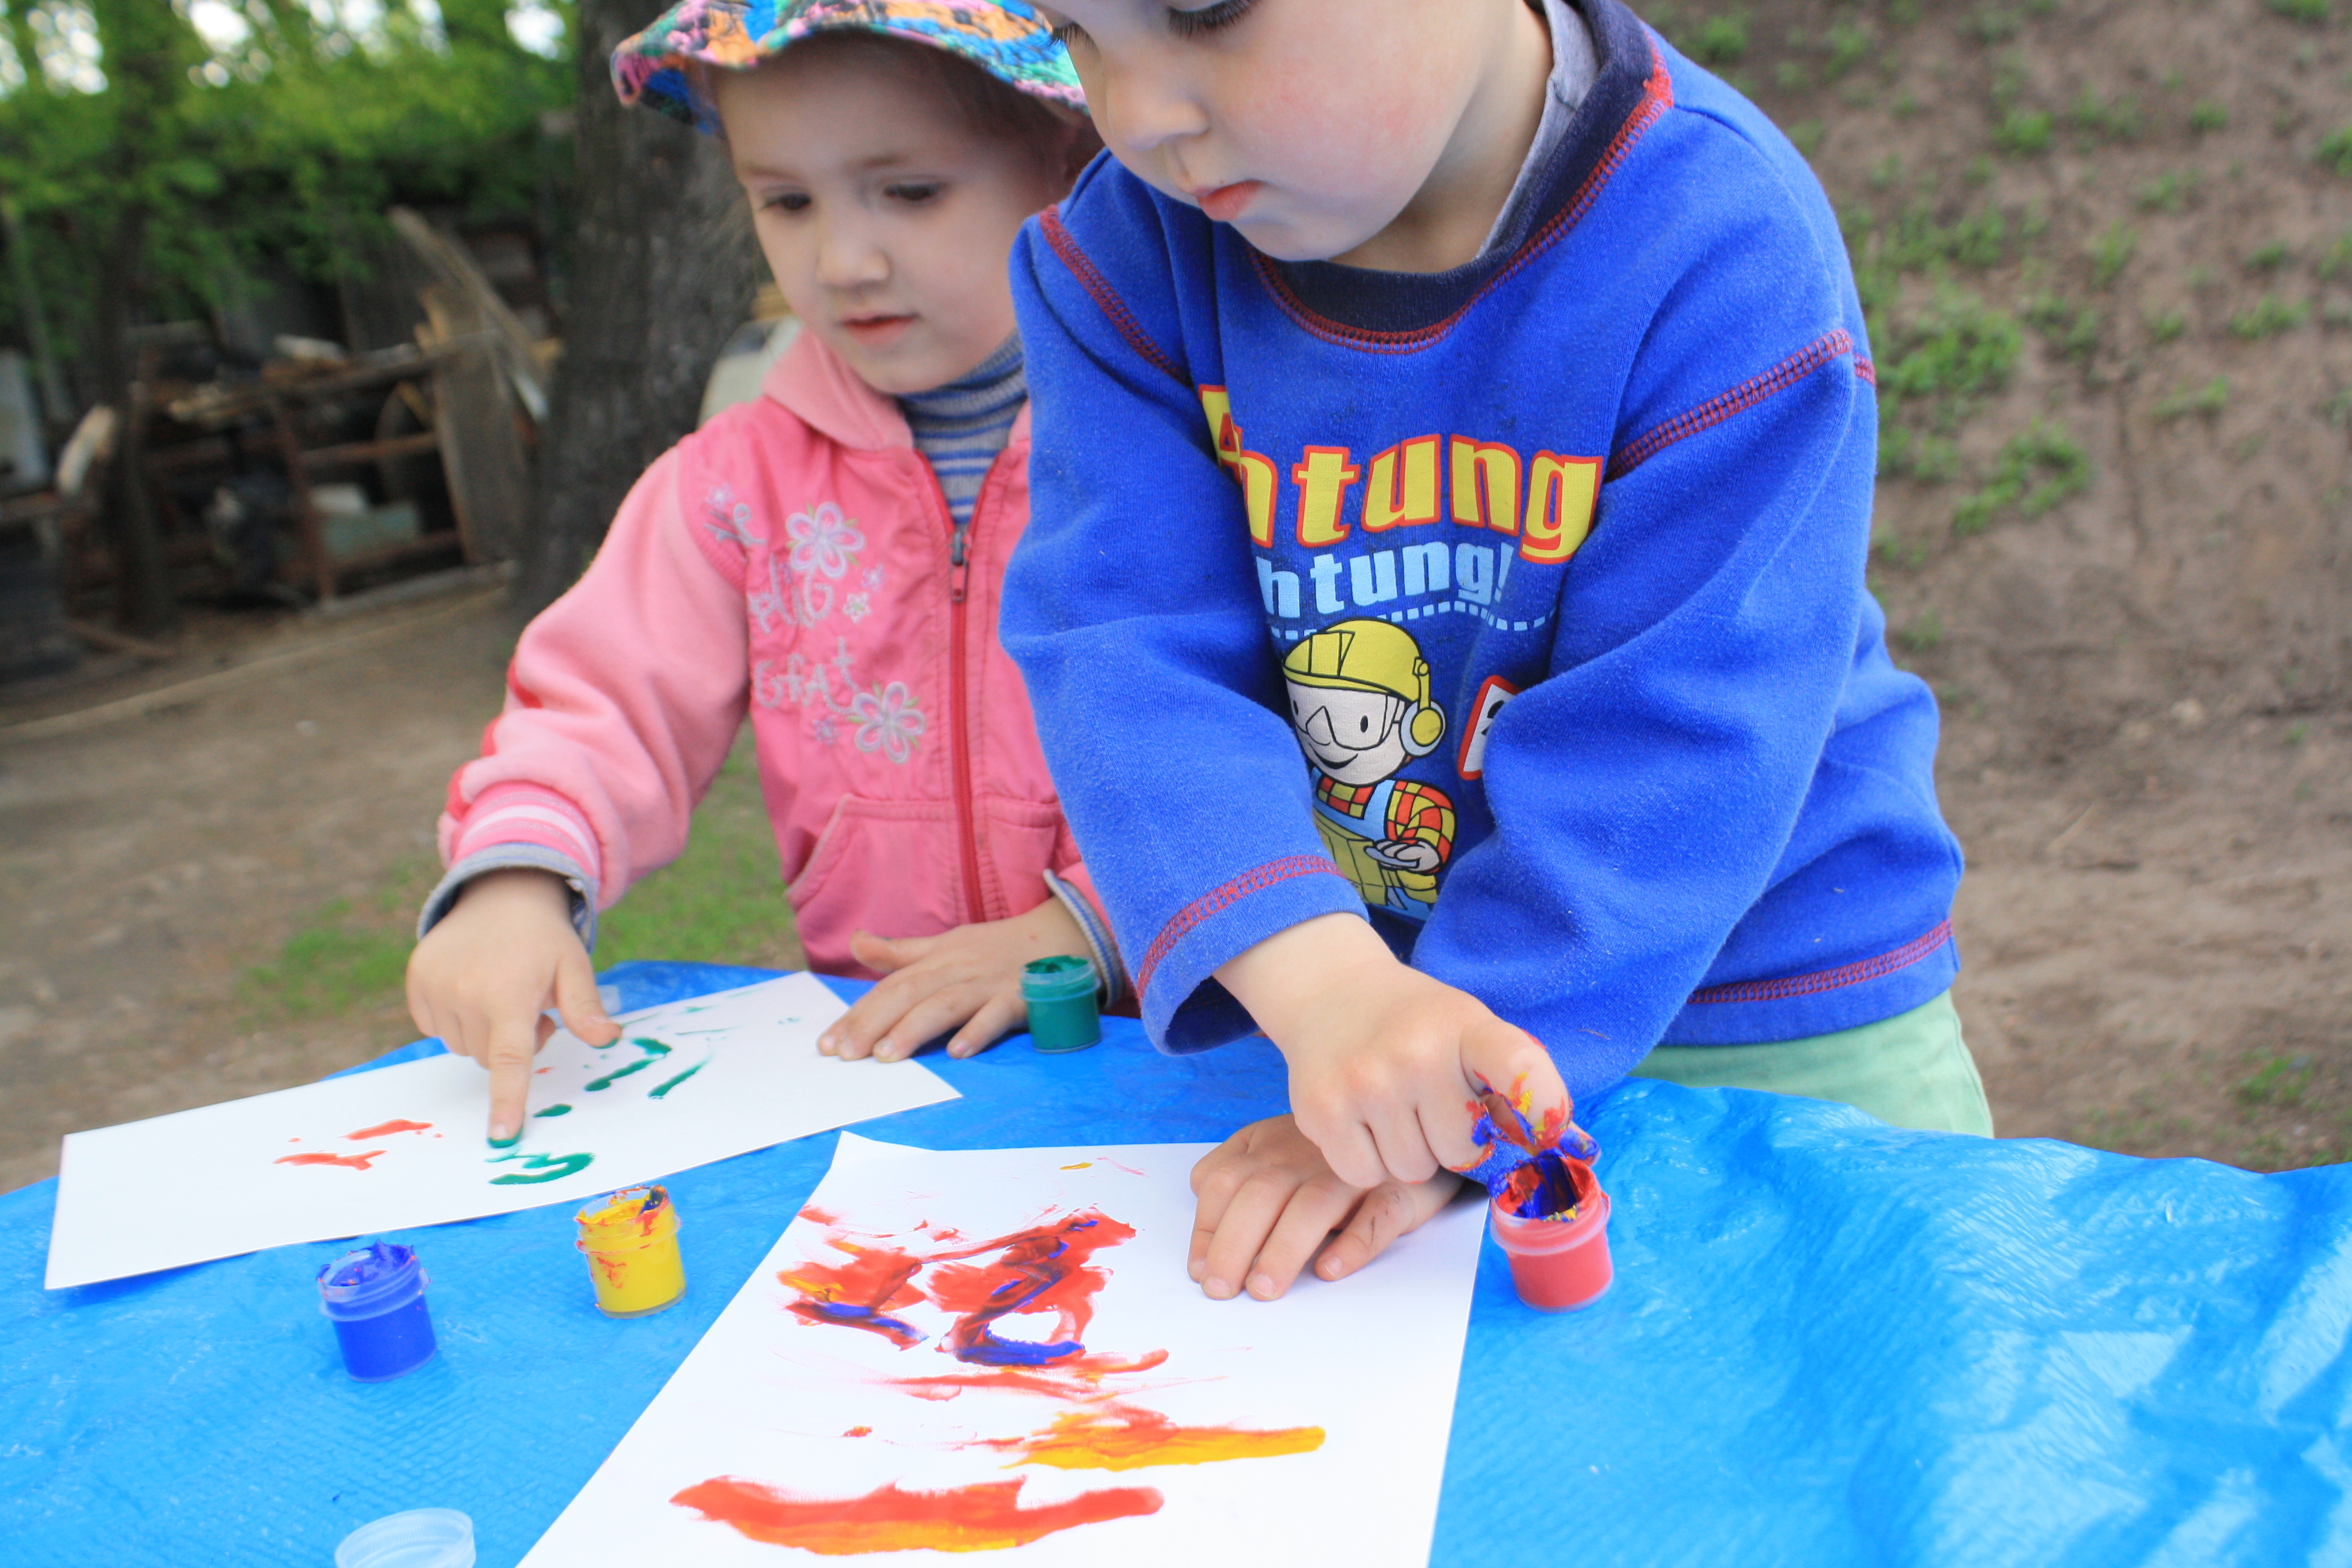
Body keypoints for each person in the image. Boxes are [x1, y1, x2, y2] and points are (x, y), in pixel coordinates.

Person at [1000, 0, 1992, 1304]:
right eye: (1074, 31)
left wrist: (1432, 1066)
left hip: (1767, 1008)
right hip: (1370, 1013)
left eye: (1203, 10)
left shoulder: (1716, 240)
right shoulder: (1119, 261)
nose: (1138, 117)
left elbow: (1684, 737)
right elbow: (1127, 656)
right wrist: (1332, 996)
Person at [407, 1, 1119, 1147]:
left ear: (1071, 158)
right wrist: (514, 881)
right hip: (892, 1069)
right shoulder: (732, 486)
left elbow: (1271, 723)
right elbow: (603, 708)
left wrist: (1087, 926)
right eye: (786, 201)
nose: (843, 260)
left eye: (912, 191)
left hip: (1177, 1041)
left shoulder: (1187, 443)